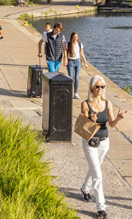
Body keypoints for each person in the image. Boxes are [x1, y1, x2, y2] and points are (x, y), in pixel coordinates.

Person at [80, 76, 127, 219]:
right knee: (98, 174)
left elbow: (111, 124)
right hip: (90, 141)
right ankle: (101, 208)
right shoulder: (85, 103)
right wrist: (91, 119)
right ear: (91, 87)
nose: (99, 89)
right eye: (97, 87)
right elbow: (83, 123)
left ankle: (85, 188)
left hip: (104, 142)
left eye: (102, 87)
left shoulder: (108, 103)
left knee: (95, 168)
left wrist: (118, 118)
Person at [64, 32, 88, 99]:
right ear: (72, 37)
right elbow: (65, 52)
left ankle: (76, 93)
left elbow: (82, 54)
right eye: (74, 36)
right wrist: (65, 59)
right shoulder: (68, 44)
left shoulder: (79, 44)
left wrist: (85, 62)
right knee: (71, 78)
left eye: (76, 36)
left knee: (77, 78)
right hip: (71, 62)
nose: (75, 38)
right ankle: (70, 92)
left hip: (78, 62)